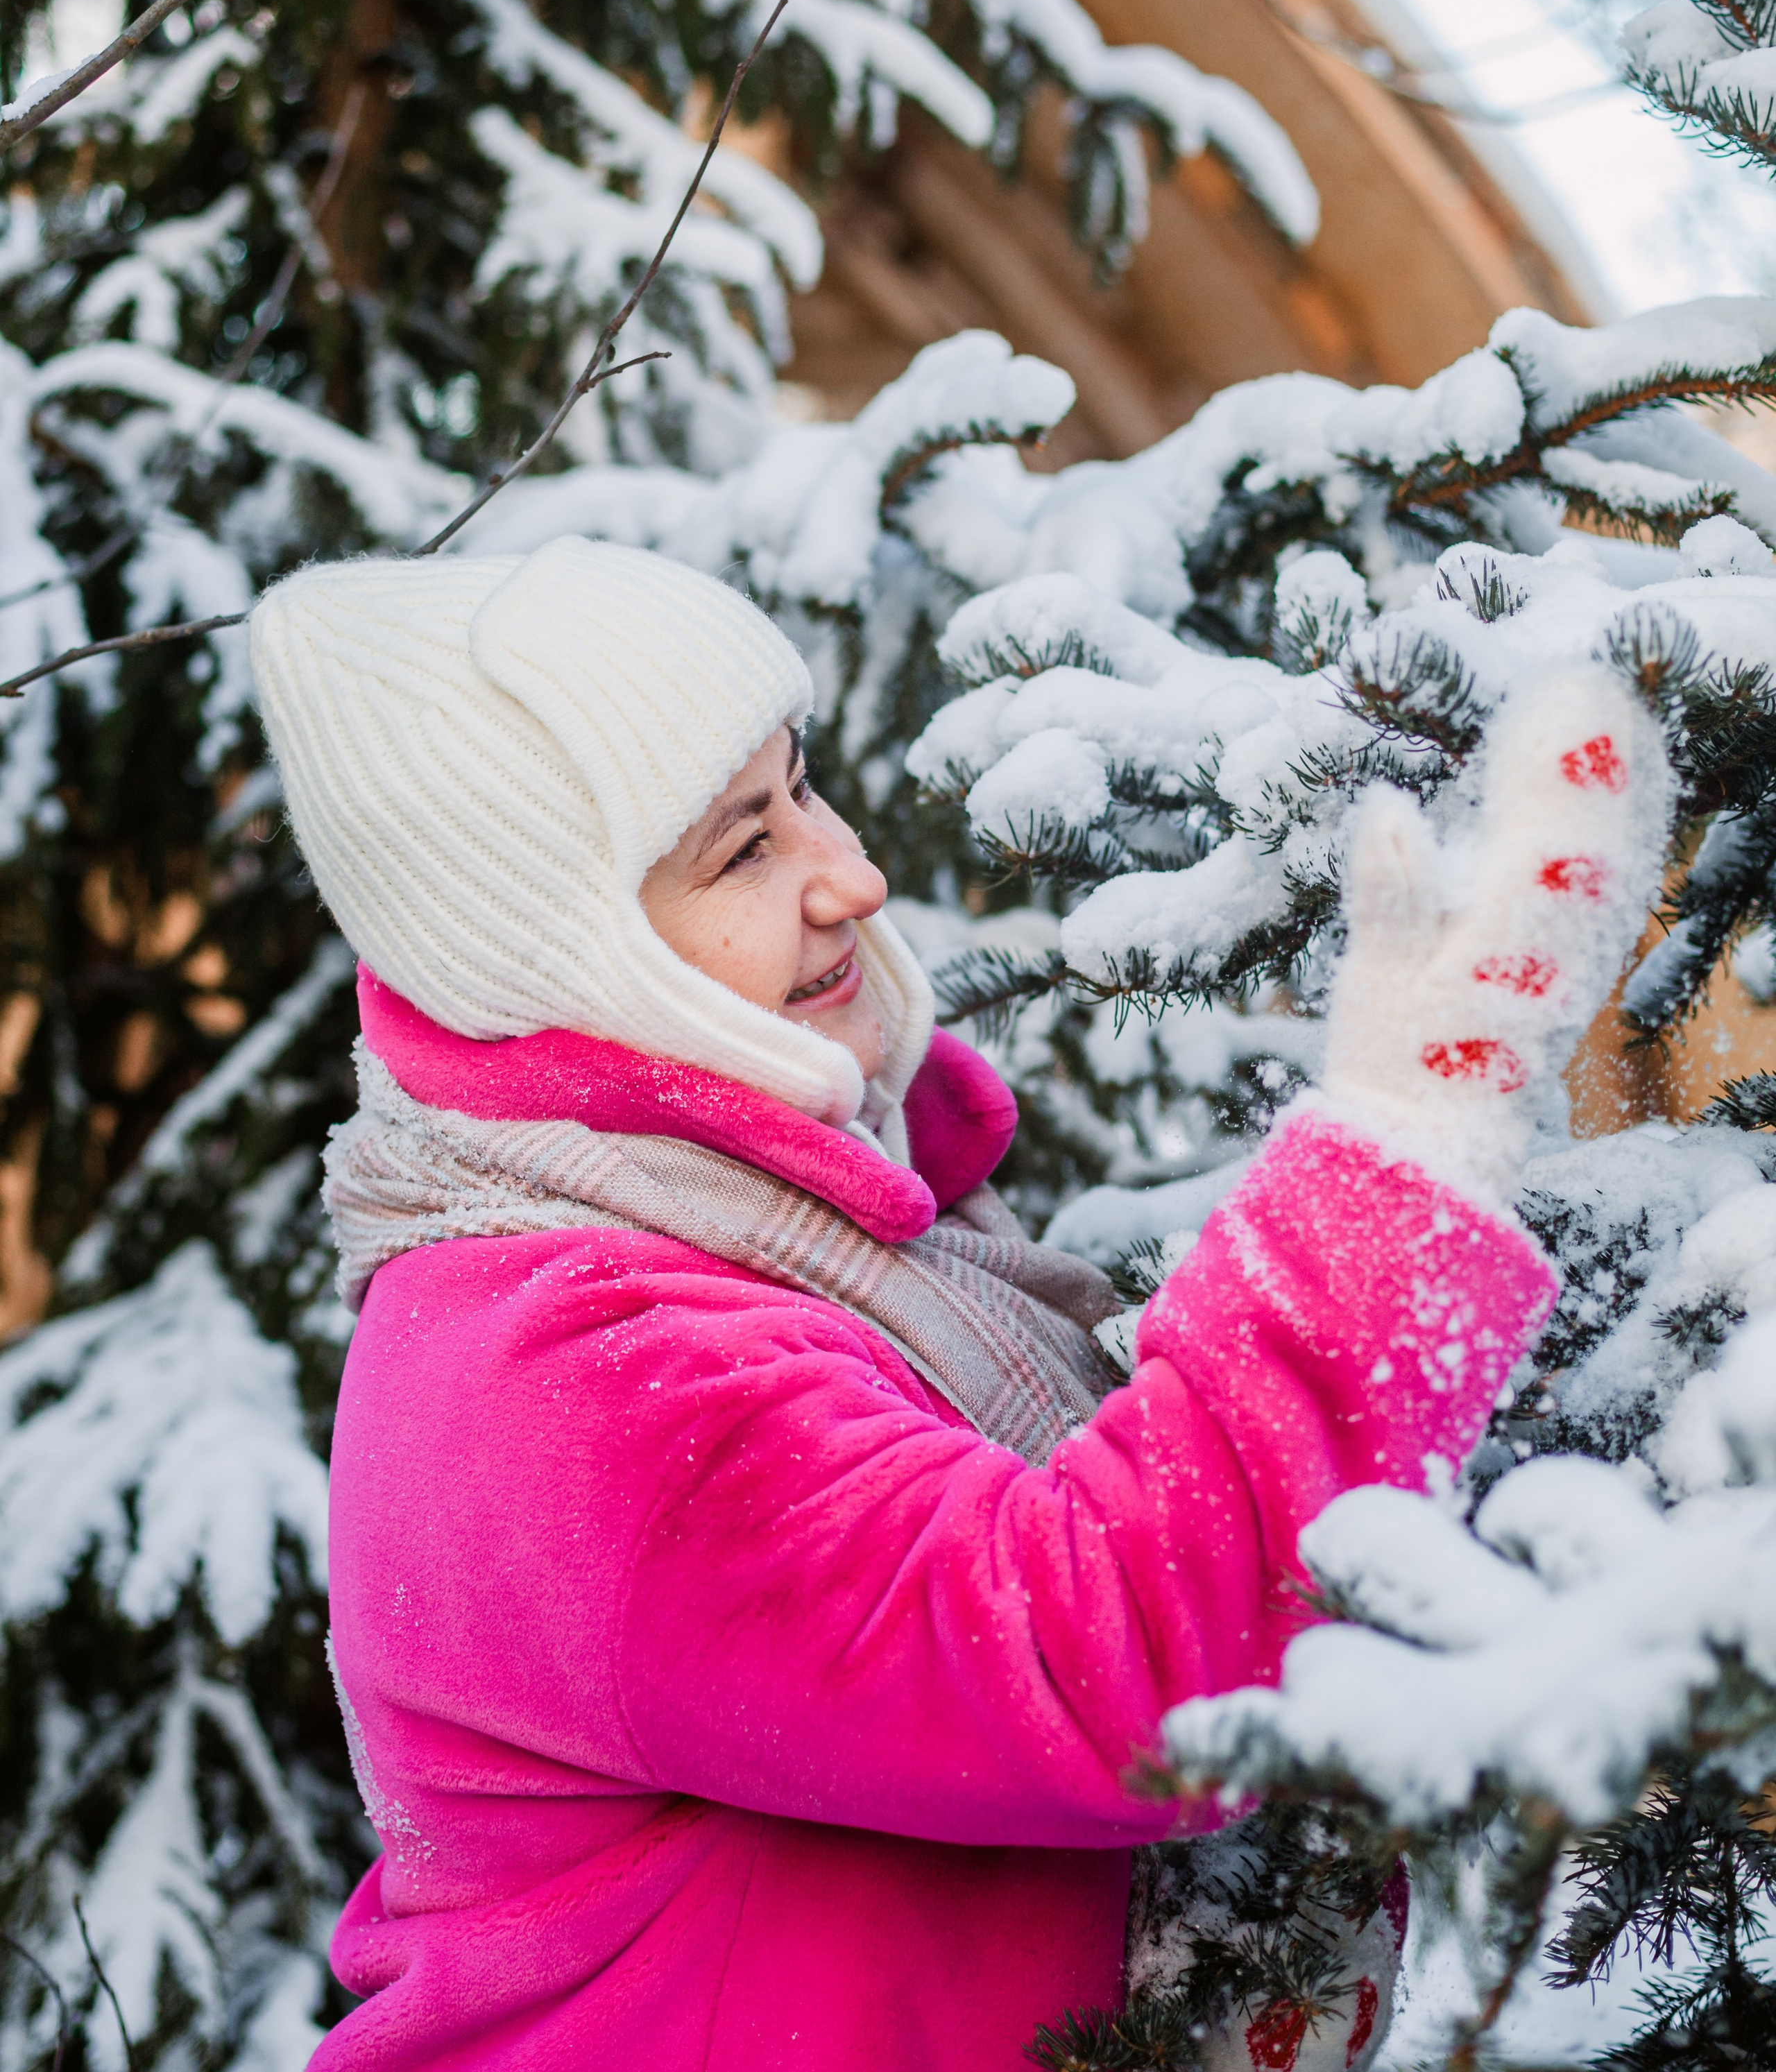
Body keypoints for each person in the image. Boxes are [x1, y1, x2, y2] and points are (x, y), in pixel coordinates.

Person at [249, 535, 1664, 2072]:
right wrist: (1411, 1140)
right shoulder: (570, 1378)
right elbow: (1110, 1662)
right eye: (740, 849)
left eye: (801, 785)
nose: (846, 873)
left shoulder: (788, 1213)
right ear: (561, 955)